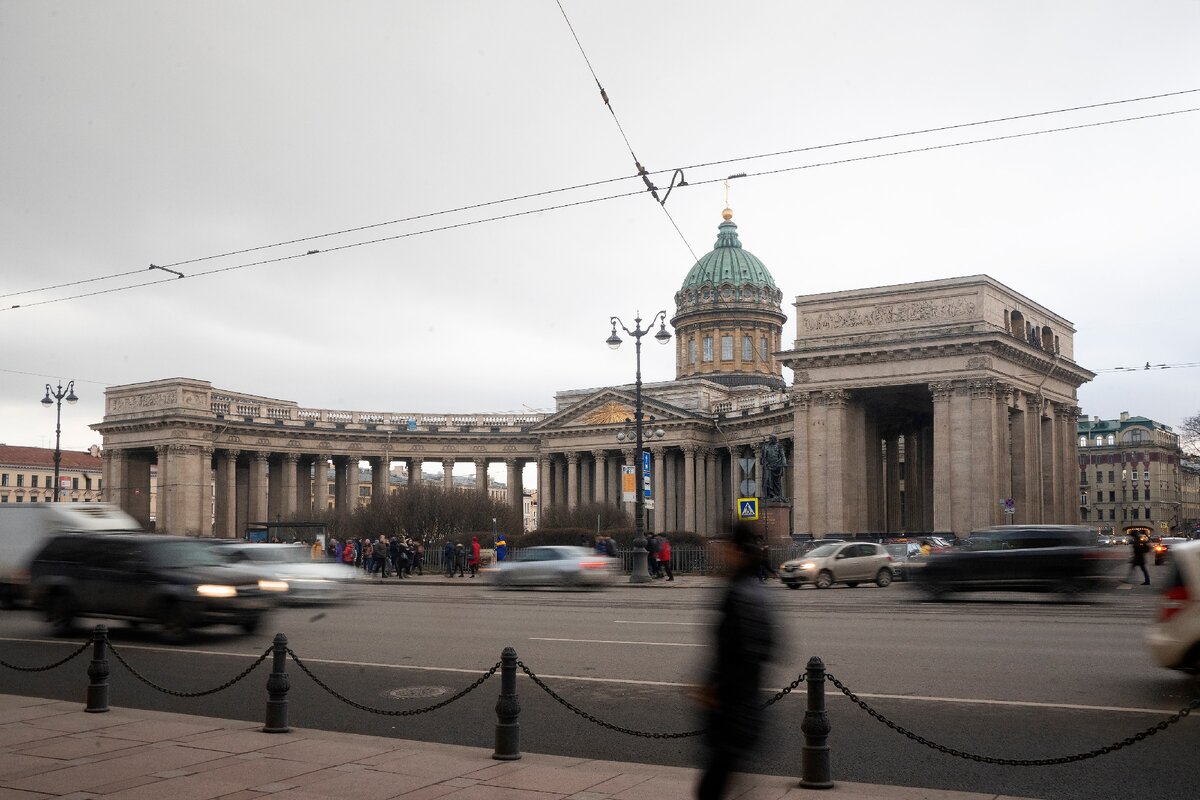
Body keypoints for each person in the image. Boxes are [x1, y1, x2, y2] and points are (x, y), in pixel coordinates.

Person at [693, 523, 776, 800]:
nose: (723, 553)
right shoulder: (752, 589)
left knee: (711, 787)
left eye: (727, 547)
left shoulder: (740, 593)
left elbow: (741, 649)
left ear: (738, 551)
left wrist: (715, 686)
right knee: (722, 780)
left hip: (733, 706)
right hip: (742, 703)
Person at [761, 435, 788, 502]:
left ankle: (777, 495)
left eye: (771, 439)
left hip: (777, 466)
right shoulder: (766, 447)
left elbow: (782, 455)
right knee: (767, 480)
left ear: (774, 439)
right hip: (768, 467)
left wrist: (784, 463)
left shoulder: (779, 446)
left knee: (776, 482)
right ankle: (770, 495)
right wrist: (764, 462)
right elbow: (763, 458)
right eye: (769, 438)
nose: (769, 440)